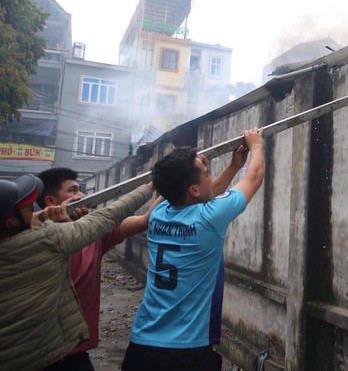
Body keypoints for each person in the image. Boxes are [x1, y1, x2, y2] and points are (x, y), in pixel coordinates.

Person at [122, 128, 265, 371]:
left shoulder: (158, 213)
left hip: (142, 344)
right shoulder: (208, 219)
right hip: (186, 351)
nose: (211, 178)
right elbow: (254, 177)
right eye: (206, 174)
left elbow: (204, 192)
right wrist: (257, 145)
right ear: (193, 190)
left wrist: (229, 167)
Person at [0, 174, 153, 371]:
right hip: (56, 357)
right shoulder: (48, 240)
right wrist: (151, 186)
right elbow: (108, 215)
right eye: (30, 209)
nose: (81, 195)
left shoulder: (32, 237)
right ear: (12, 222)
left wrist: (48, 216)